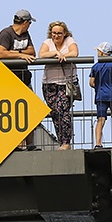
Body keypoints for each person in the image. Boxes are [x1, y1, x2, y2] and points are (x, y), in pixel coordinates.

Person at [0, 10, 37, 150]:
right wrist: (20, 55)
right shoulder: (6, 33)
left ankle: (30, 144)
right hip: (9, 80)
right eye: (30, 23)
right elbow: (1, 53)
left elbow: (32, 52)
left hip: (24, 78)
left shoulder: (26, 35)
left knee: (29, 110)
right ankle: (15, 144)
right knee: (12, 112)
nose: (30, 26)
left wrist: (14, 53)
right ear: (25, 23)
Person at [38, 21, 79, 149]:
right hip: (49, 83)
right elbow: (41, 55)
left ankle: (66, 141)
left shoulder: (69, 41)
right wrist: (55, 54)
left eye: (59, 33)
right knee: (55, 112)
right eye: (54, 33)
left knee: (63, 109)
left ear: (64, 33)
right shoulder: (48, 43)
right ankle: (62, 141)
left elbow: (74, 52)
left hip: (65, 83)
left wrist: (63, 55)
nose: (56, 36)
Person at [89, 41, 112, 148]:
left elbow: (91, 83)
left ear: (102, 53)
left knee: (101, 119)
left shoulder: (95, 66)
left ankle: (98, 143)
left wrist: (99, 86)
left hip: (100, 95)